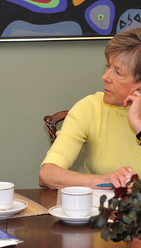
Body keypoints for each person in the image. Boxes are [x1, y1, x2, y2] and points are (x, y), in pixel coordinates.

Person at [39, 27, 141, 189]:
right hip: (100, 211)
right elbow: (47, 174)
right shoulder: (90, 108)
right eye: (108, 67)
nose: (105, 77)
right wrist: (100, 180)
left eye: (118, 73)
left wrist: (138, 125)